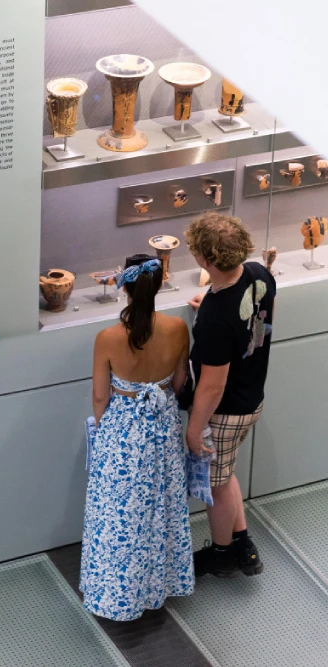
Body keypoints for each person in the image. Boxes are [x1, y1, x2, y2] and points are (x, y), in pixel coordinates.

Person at [81, 254, 194, 621]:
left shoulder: (108, 338)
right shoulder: (178, 328)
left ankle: (117, 595)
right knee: (161, 509)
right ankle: (158, 587)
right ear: (160, 284)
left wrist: (106, 433)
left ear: (125, 287)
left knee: (118, 517)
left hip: (122, 435)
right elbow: (179, 383)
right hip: (163, 427)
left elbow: (101, 397)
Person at [184, 212, 275, 578]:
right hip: (252, 396)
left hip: (224, 411)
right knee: (227, 471)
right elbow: (246, 314)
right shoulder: (258, 273)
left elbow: (212, 385)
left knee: (216, 485)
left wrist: (194, 428)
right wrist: (208, 304)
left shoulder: (217, 319)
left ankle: (221, 553)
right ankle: (241, 543)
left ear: (205, 260)